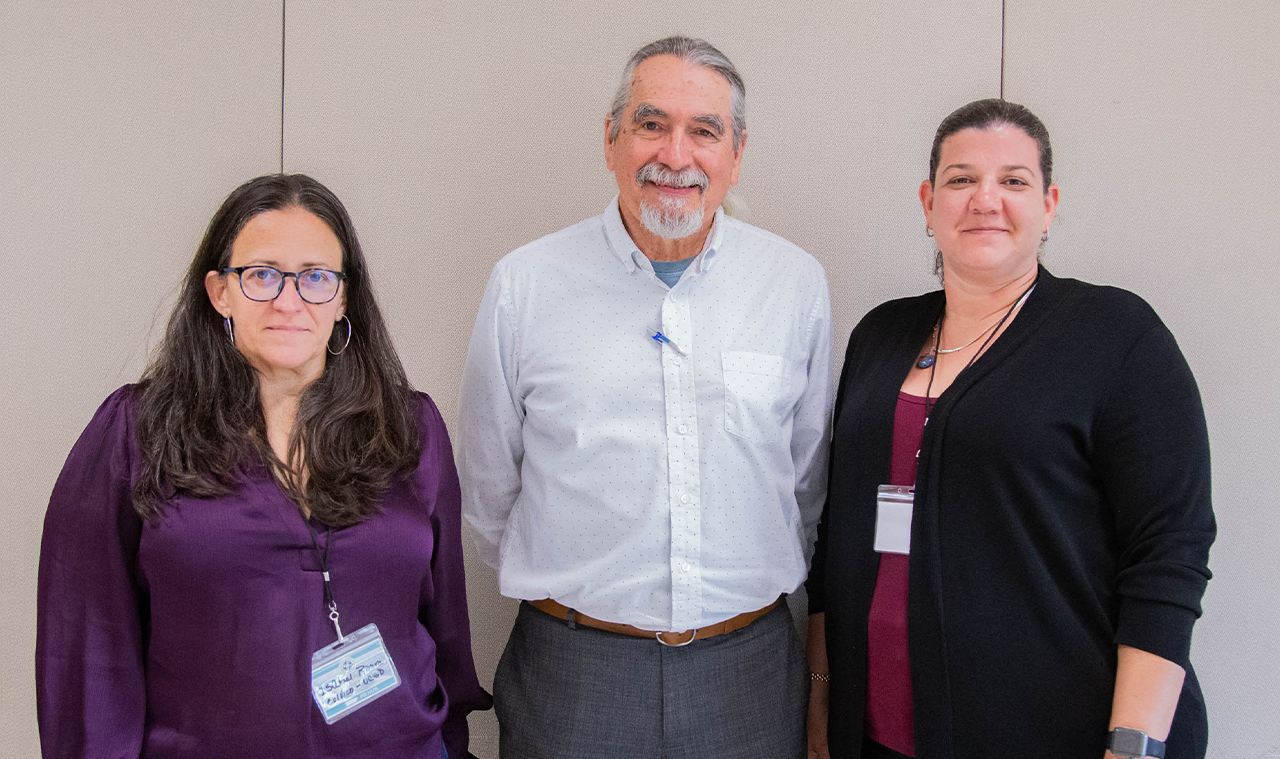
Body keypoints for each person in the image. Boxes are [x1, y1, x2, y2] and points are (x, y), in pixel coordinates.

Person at [804, 98, 1215, 759]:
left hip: (1058, 734)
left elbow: (1168, 558)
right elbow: (837, 536)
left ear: (1049, 203)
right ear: (928, 200)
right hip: (879, 733)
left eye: (1013, 181)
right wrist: (821, 692)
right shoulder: (879, 336)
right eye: (961, 179)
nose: (985, 200)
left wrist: (1134, 746)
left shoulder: (1117, 337)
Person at [459, 35, 833, 759]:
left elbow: (806, 480)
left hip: (748, 668)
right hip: (575, 669)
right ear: (610, 138)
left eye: (705, 131)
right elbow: (488, 487)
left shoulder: (794, 286)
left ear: (737, 151)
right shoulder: (524, 285)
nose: (676, 154)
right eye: (651, 124)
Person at [36, 174, 490, 759]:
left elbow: (447, 626)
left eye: (316, 277)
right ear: (219, 292)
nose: (288, 299)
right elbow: (87, 650)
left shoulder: (409, 428)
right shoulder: (137, 430)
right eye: (262, 275)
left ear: (344, 298)